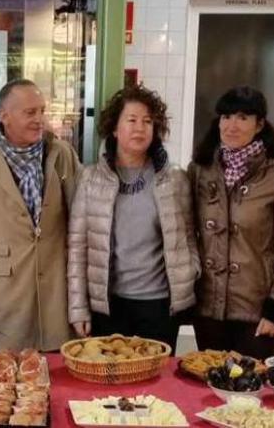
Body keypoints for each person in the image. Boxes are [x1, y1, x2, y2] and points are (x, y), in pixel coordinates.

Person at [0, 79, 80, 352]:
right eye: (30, 112)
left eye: (42, 111)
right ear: (4, 116)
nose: (39, 120)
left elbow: (80, 226)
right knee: (1, 384)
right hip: (3, 300)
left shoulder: (61, 154)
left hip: (56, 296)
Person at [67, 85, 199, 348]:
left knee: (156, 384)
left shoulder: (173, 179)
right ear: (115, 129)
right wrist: (78, 307)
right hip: (108, 305)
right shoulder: (90, 179)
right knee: (109, 382)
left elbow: (187, 238)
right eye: (132, 120)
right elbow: (77, 247)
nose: (140, 128)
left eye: (148, 121)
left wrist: (191, 273)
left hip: (159, 306)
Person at [188, 86, 274, 359]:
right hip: (207, 308)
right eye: (225, 117)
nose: (231, 125)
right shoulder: (200, 170)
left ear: (260, 123)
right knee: (206, 388)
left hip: (257, 310)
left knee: (250, 394)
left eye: (242, 117)